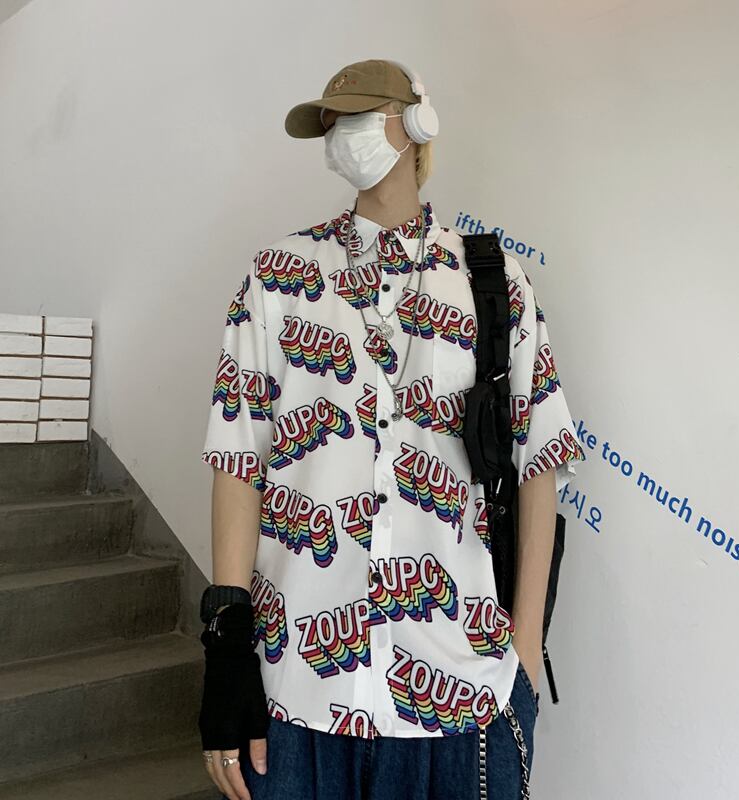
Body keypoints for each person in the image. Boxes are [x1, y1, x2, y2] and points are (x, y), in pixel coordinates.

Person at [197, 58, 585, 800]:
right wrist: (228, 654)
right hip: (296, 684)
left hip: (460, 690)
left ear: (415, 126)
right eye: (330, 125)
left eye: (358, 119)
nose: (341, 137)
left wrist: (527, 651)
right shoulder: (278, 277)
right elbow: (237, 459)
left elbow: (540, 461)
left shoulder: (494, 282)